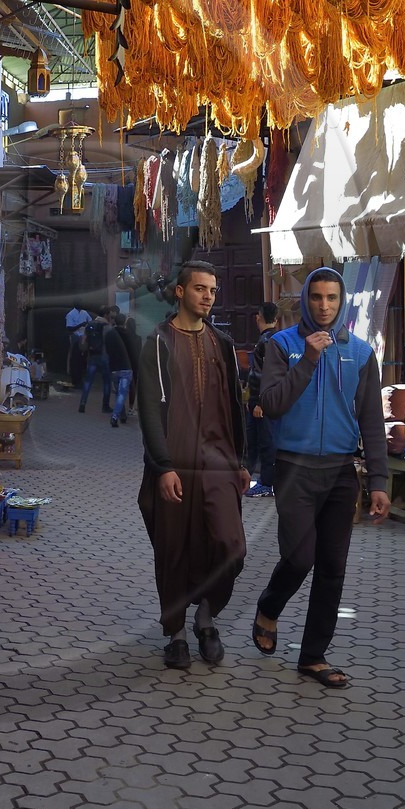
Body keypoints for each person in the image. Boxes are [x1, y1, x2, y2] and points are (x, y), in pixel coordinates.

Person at [252, 267, 390, 690]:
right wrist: (309, 358)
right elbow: (272, 403)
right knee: (299, 557)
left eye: (332, 298)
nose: (324, 306)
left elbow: (370, 418)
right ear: (305, 300)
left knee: (333, 567)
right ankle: (268, 608)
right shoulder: (282, 345)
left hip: (341, 472)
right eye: (316, 297)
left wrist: (380, 480)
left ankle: (313, 656)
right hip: (294, 468)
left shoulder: (362, 353)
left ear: (341, 300)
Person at [135, 261, 251, 670]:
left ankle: (206, 616)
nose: (208, 296)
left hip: (219, 465)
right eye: (200, 289)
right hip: (175, 467)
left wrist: (241, 460)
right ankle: (178, 634)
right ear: (180, 292)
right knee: (174, 552)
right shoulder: (157, 342)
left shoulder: (222, 344)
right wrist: (162, 465)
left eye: (213, 290)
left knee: (231, 547)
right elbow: (149, 409)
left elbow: (234, 405)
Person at [243, 301, 281, 498]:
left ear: (258, 317)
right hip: (268, 402)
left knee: (264, 442)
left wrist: (259, 402)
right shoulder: (277, 339)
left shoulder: (267, 341)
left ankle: (266, 483)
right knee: (258, 441)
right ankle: (248, 478)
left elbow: (264, 375)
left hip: (262, 404)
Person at [79, 306, 112, 414]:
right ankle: (105, 406)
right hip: (105, 356)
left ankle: (82, 403)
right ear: (106, 315)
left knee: (88, 381)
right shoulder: (107, 327)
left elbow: (84, 340)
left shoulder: (90, 324)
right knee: (107, 382)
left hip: (92, 356)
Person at [105, 309, 134, 427]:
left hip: (114, 368)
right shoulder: (128, 334)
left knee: (118, 393)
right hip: (126, 367)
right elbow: (132, 351)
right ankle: (115, 416)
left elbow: (107, 350)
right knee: (122, 394)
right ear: (125, 322)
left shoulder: (109, 334)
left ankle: (122, 415)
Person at [65, 304, 93, 385]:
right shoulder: (70, 314)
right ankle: (75, 379)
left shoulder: (84, 312)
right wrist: (80, 325)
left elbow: (90, 321)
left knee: (83, 359)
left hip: (84, 337)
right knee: (75, 359)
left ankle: (80, 378)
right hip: (75, 337)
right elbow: (69, 328)